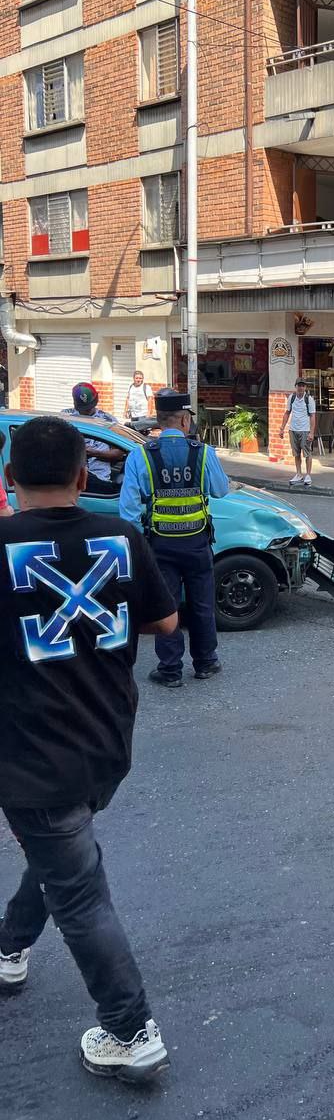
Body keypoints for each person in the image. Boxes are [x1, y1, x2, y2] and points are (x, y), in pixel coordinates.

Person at [0, 416, 178, 1080]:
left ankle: (131, 1032)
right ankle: (10, 947)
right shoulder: (120, 536)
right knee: (63, 849)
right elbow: (165, 621)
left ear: (10, 478)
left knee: (78, 892)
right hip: (105, 744)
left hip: (31, 755)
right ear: (84, 477)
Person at [119, 389, 229, 689]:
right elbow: (221, 490)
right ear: (183, 420)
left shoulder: (141, 455)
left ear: (159, 420)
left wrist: (138, 546)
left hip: (160, 545)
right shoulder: (203, 452)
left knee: (166, 606)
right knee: (202, 603)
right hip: (197, 544)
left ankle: (170, 670)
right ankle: (205, 662)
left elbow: (128, 509)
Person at [61, 383, 125, 494]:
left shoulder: (108, 420)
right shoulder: (66, 417)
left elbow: (118, 452)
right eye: (83, 408)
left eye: (89, 407)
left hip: (100, 481)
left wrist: (95, 453)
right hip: (71, 481)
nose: (86, 411)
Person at [278, 378, 317, 486]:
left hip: (305, 429)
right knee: (296, 453)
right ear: (295, 386)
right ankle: (299, 474)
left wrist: (311, 432)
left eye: (303, 386)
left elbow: (313, 416)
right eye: (299, 385)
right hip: (293, 429)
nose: (301, 388)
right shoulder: (292, 397)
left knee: (307, 453)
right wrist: (282, 428)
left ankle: (308, 475)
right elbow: (287, 413)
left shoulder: (309, 399)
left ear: (305, 387)